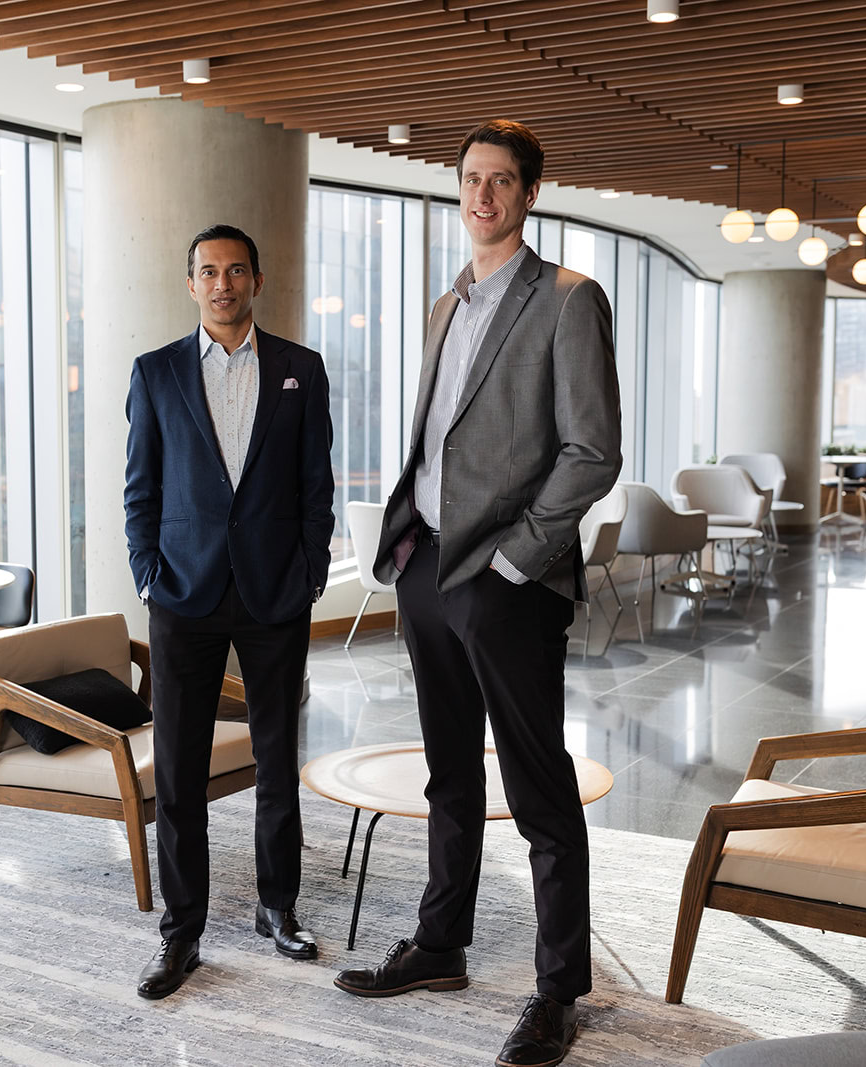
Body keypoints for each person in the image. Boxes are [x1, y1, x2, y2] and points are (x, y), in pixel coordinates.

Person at [333, 121, 621, 1067]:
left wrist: (513, 560)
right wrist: (413, 546)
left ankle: (557, 991)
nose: (483, 195)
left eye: (502, 181)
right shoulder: (441, 305)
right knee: (448, 770)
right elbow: (439, 439)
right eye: (471, 179)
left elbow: (592, 453)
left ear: (530, 193)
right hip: (426, 565)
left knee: (538, 788)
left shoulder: (570, 300)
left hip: (508, 578)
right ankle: (440, 946)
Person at [123, 223, 335, 1000]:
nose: (222, 284)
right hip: (183, 594)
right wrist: (148, 573)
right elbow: (140, 488)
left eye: (235, 270)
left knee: (277, 761)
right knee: (178, 769)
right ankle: (181, 931)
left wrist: (311, 571)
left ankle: (277, 907)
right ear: (191, 284)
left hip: (276, 592)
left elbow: (319, 485)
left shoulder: (300, 370)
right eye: (208, 271)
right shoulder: (155, 373)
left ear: (256, 280)